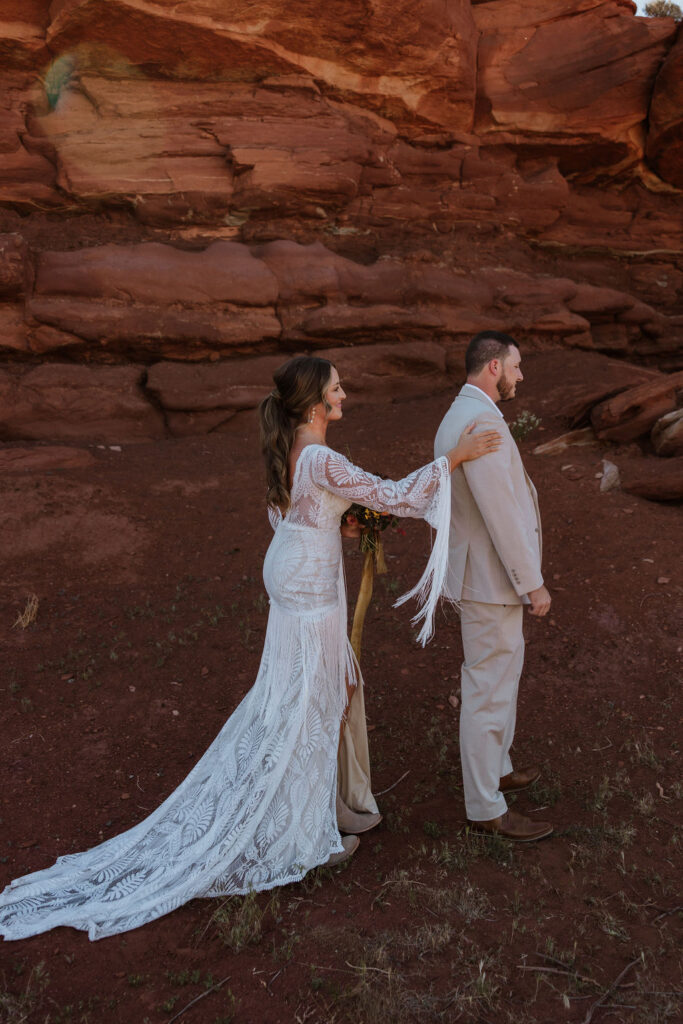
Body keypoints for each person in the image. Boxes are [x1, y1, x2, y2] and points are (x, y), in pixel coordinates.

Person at [0, 355, 501, 941]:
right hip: (309, 586)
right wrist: (454, 460)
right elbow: (388, 494)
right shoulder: (320, 455)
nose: (345, 393)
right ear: (316, 402)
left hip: (294, 569)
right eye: (338, 387)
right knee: (306, 703)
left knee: (314, 691)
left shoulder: (295, 449)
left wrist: (337, 522)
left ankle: (324, 807)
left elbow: (294, 509)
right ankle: (303, 833)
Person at [434, 332, 553, 842]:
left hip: (481, 574)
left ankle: (498, 768)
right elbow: (500, 512)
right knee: (486, 688)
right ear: (493, 368)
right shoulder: (482, 420)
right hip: (490, 578)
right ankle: (485, 807)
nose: (520, 375)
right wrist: (533, 583)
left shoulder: (460, 412)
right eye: (516, 366)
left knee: (501, 677)